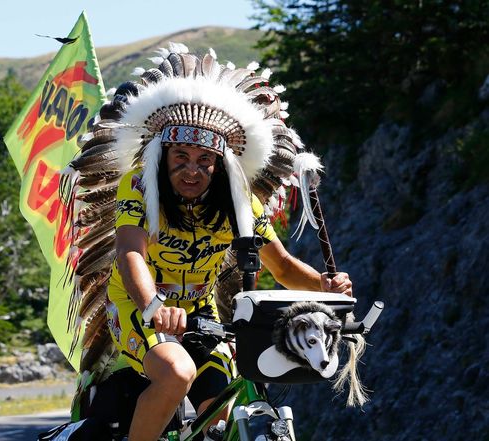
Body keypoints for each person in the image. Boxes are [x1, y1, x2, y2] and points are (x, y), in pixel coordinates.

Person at [102, 46, 352, 441]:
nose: (192, 169)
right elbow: (130, 252)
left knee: (219, 407)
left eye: (205, 159)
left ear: (220, 163)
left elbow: (283, 267)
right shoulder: (138, 185)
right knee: (177, 374)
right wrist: (154, 305)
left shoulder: (241, 202)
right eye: (180, 156)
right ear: (162, 158)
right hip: (140, 305)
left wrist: (324, 286)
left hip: (201, 312)